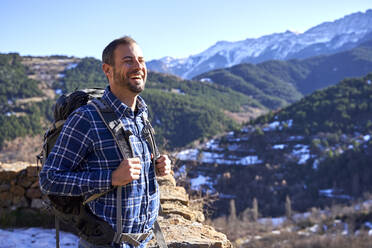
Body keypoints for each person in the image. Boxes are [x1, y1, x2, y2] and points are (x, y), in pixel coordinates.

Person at [39, 36, 172, 248]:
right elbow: (49, 179)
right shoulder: (87, 118)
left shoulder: (141, 116)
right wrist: (110, 178)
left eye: (141, 60)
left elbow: (130, 173)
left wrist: (155, 167)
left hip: (144, 242)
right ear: (107, 70)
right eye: (128, 60)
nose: (138, 66)